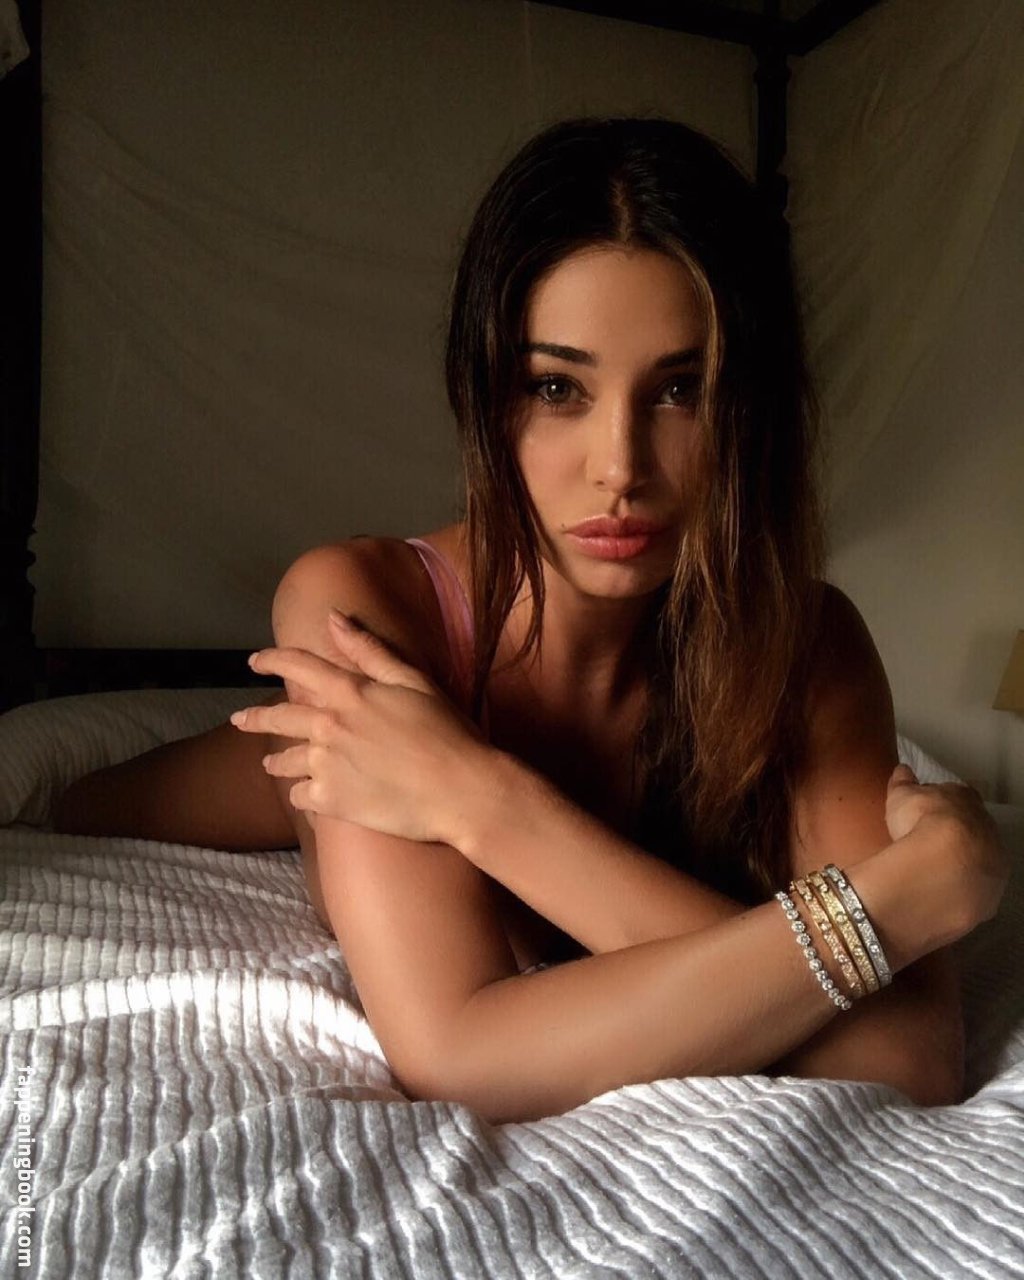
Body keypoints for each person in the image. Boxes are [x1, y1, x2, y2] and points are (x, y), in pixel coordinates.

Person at [56, 117, 1008, 1123]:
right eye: (556, 387)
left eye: (682, 390)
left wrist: (476, 797)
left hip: (435, 752)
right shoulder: (365, 606)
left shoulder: (807, 644)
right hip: (314, 741)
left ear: (751, 408)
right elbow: (458, 1051)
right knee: (76, 797)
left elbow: (902, 1057)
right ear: (484, 397)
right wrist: (898, 902)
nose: (619, 466)